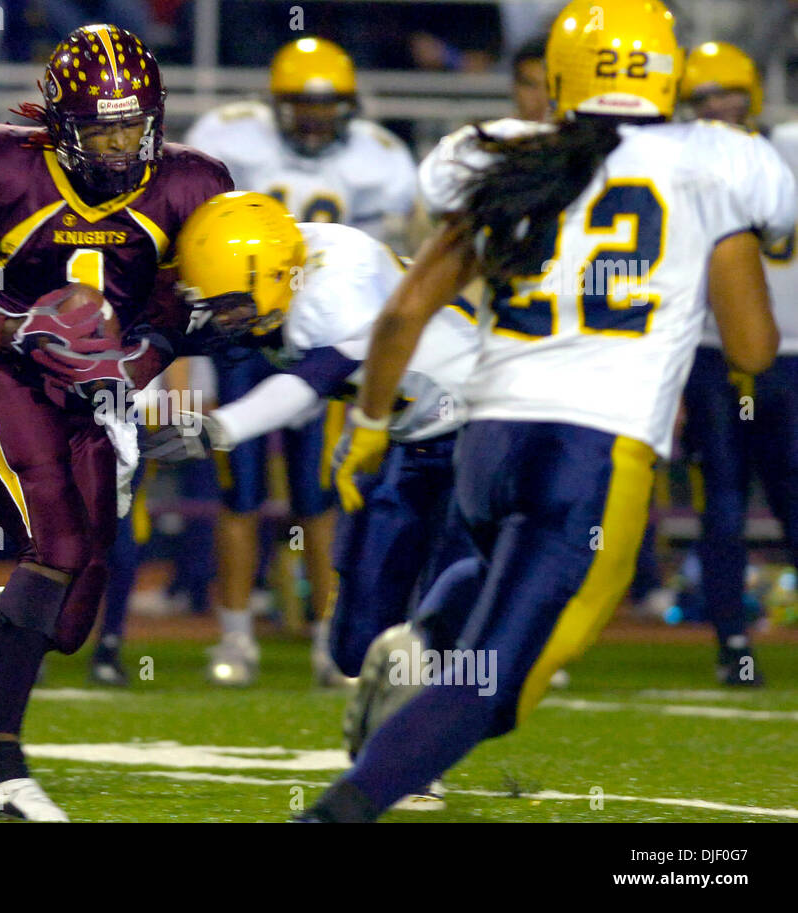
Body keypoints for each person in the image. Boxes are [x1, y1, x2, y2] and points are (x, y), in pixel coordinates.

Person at [305, 0, 795, 821]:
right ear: (666, 72)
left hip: (488, 443)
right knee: (496, 687)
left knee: (497, 575)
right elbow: (751, 347)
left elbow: (402, 313)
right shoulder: (718, 162)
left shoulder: (504, 156)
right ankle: (336, 811)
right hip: (595, 453)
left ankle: (422, 641)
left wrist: (369, 426)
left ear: (563, 75)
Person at [0, 23, 233, 820]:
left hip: (92, 390)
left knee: (65, 619)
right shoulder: (4, 172)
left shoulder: (189, 185)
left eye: (134, 126)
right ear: (60, 126)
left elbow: (176, 308)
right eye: (102, 129)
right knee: (54, 545)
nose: (122, 145)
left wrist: (138, 362)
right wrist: (18, 330)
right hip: (4, 370)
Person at [142, 190, 478, 810]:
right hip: (402, 436)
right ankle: (387, 718)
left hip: (481, 429)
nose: (226, 319)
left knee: (442, 609)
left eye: (233, 305)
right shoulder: (265, 263)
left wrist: (217, 428)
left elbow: (307, 385)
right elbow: (178, 332)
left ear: (275, 276)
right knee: (357, 640)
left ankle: (414, 760)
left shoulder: (333, 289)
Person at [183, 37, 418, 687]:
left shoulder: (379, 159)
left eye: (325, 106)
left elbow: (400, 238)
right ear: (276, 104)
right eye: (301, 106)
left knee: (319, 494)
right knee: (240, 493)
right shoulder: (231, 138)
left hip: (317, 320)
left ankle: (328, 639)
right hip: (244, 330)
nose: (313, 120)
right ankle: (236, 636)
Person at [678, 41, 789, 685]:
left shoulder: (789, 146)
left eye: (729, 91)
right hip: (713, 357)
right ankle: (735, 646)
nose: (718, 104)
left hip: (790, 357)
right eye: (703, 96)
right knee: (721, 508)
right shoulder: (679, 164)